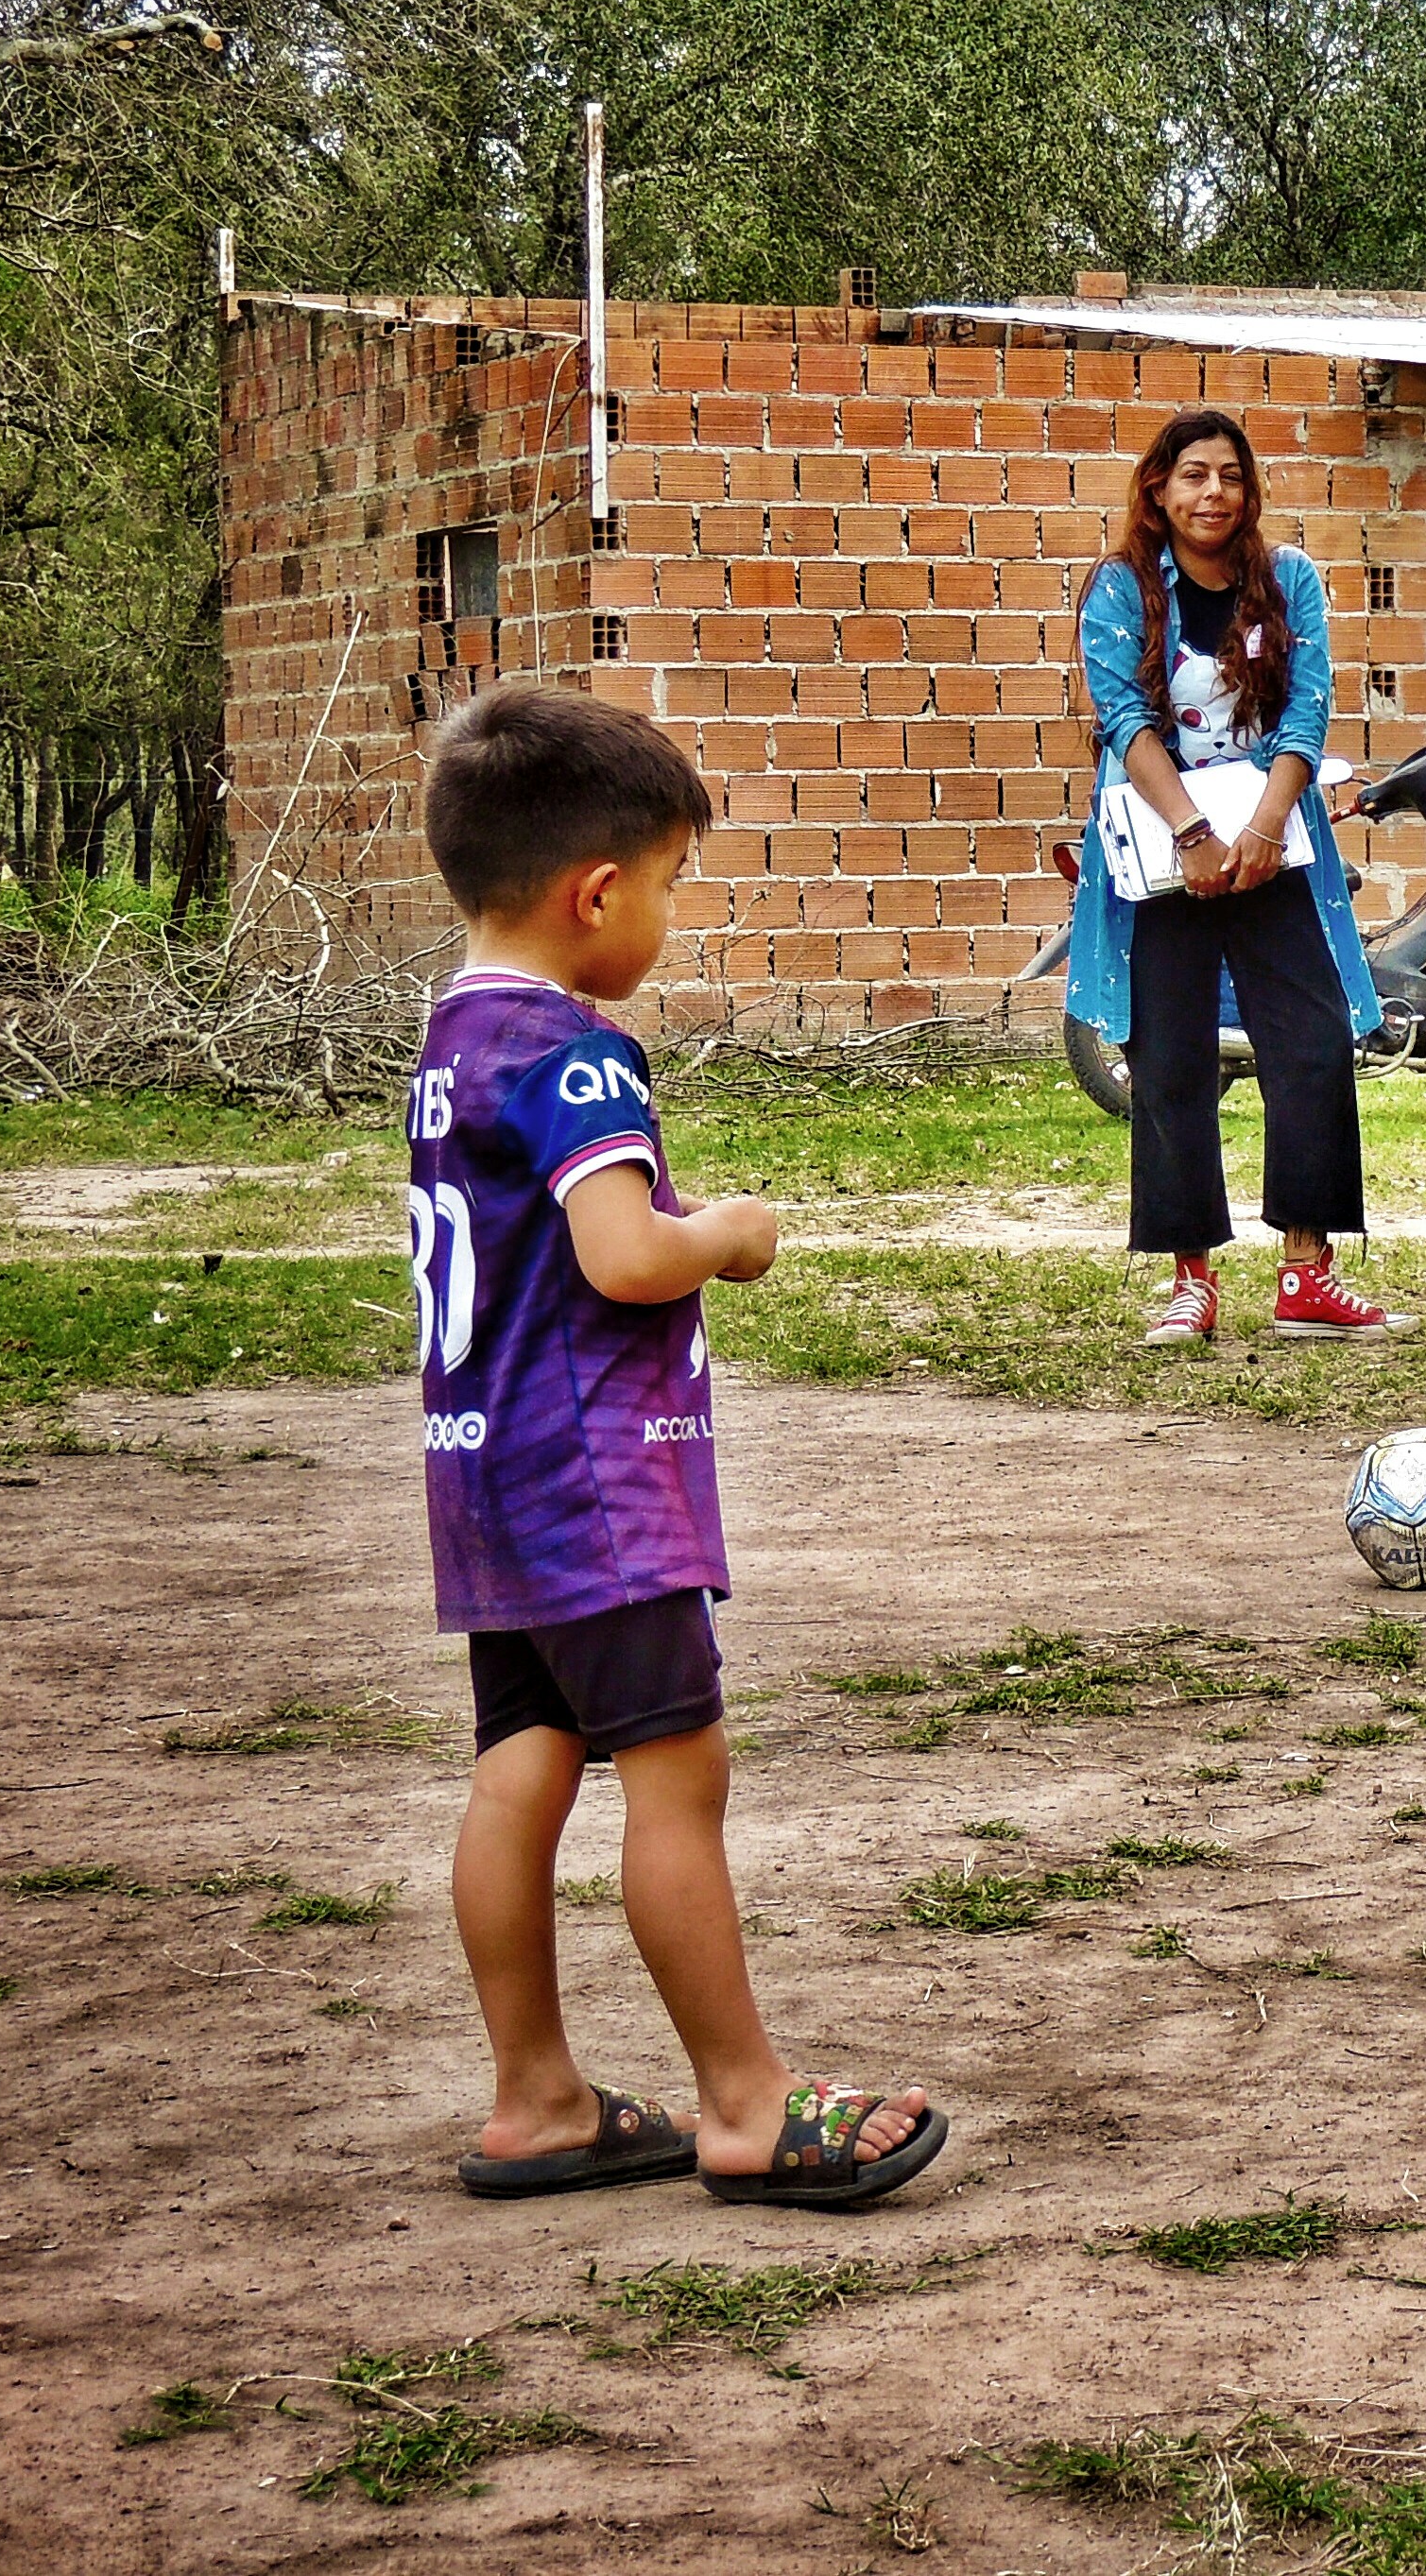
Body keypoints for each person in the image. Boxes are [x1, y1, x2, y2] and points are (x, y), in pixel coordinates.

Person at [412, 681, 946, 2207]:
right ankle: (744, 2099)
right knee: (675, 1776)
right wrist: (727, 1233)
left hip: (488, 1483)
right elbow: (617, 1255)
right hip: (596, 1490)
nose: (665, 917)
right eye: (666, 887)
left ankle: (535, 2096)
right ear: (595, 893)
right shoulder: (577, 1056)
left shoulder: (449, 1045)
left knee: (521, 1769)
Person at [1066, 408, 1413, 1347]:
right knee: (1170, 1059)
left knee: (1308, 1047)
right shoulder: (1121, 588)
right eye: (1192, 477)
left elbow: (1307, 715)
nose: (1211, 493)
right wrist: (1192, 835)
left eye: (1228, 476)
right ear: (1157, 490)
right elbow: (1124, 719)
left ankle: (1307, 1275)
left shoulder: (1287, 580)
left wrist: (1263, 827)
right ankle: (1190, 1283)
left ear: (1249, 489)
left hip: (1274, 850)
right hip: (1164, 856)